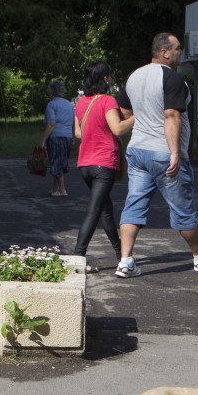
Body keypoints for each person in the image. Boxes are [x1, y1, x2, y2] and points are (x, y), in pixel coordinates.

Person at [114, 32, 198, 278]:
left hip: (137, 150)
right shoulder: (171, 78)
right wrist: (175, 152)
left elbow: (124, 110)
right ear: (164, 52)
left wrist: (144, 117)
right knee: (182, 208)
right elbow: (171, 116)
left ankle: (125, 262)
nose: (180, 53)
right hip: (163, 153)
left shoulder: (133, 76)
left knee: (134, 205)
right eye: (177, 49)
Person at [72, 62, 135, 272]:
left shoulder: (81, 102)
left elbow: (78, 133)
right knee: (94, 211)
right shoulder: (108, 101)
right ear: (105, 78)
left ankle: (121, 254)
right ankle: (78, 256)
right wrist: (137, 117)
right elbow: (117, 128)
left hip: (85, 164)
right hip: (104, 163)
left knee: (105, 211)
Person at [39, 80, 75, 197]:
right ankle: (55, 188)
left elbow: (51, 123)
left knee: (56, 162)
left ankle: (62, 190)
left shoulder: (52, 104)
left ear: (51, 91)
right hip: (68, 137)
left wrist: (43, 140)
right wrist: (73, 137)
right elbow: (73, 122)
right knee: (61, 161)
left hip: (56, 137)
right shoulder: (69, 105)